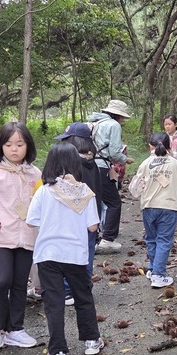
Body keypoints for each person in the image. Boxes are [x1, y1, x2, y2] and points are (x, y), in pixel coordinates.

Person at [27, 142, 104, 355]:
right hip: (76, 255)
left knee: (54, 303)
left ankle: (58, 352)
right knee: (83, 297)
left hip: (48, 255)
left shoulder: (43, 191)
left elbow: (32, 221)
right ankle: (91, 341)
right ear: (75, 164)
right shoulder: (84, 192)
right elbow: (93, 227)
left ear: (50, 163)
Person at [0, 122, 41, 350]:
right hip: (1, 237)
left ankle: (15, 329)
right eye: (8, 144)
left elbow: (42, 202)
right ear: (0, 147)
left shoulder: (35, 174)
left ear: (27, 146)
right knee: (2, 281)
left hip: (28, 237)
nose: (14, 149)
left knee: (20, 284)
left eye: (19, 144)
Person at [28, 123, 105, 305]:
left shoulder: (72, 168)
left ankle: (69, 291)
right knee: (86, 255)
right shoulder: (93, 162)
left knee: (72, 256)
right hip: (90, 218)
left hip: (75, 221)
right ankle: (82, 288)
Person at [128, 132, 177, 288]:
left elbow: (135, 188)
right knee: (164, 241)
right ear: (169, 146)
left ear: (150, 146)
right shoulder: (175, 164)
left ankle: (153, 269)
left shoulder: (145, 163)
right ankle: (158, 275)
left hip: (148, 207)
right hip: (169, 207)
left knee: (151, 239)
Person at [87, 99, 134, 254]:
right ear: (118, 116)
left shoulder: (93, 122)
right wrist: (125, 159)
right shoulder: (113, 125)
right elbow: (114, 152)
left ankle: (91, 239)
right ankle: (108, 239)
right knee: (114, 203)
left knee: (93, 203)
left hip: (88, 167)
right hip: (102, 167)